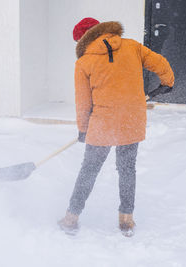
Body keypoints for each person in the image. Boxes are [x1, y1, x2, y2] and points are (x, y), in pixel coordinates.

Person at [58, 18, 174, 236]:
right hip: (132, 119)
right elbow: (161, 64)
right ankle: (126, 219)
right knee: (127, 169)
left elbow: (83, 102)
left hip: (102, 123)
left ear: (83, 39)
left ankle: (71, 217)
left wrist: (83, 128)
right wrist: (167, 82)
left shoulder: (84, 63)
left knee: (89, 171)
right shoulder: (132, 46)